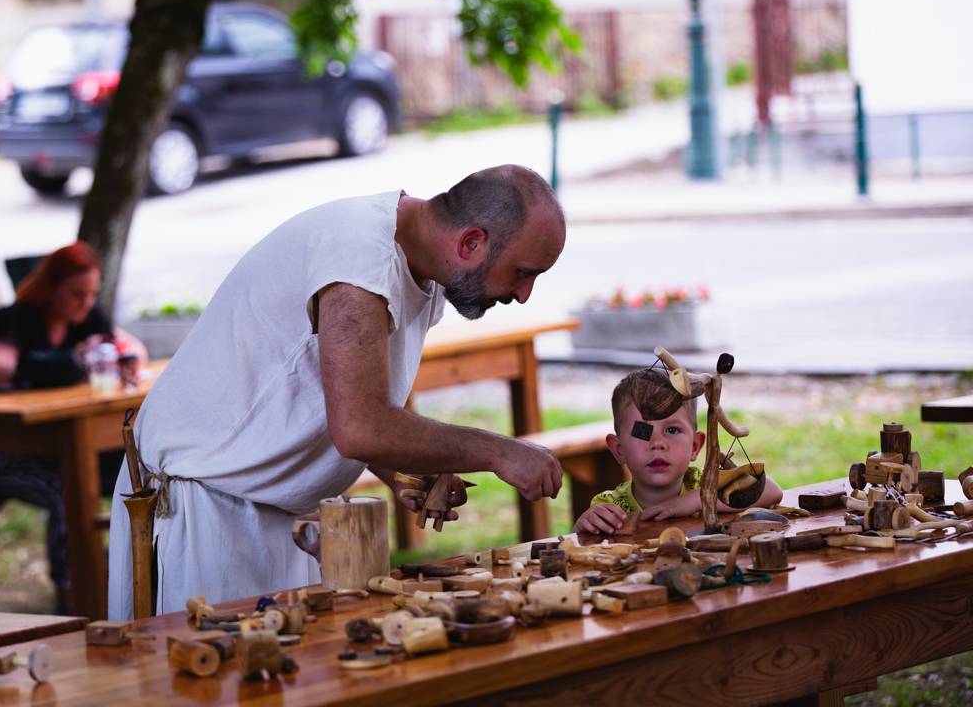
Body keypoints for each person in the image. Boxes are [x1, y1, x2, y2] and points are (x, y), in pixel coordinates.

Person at [108, 164, 567, 619]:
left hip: (259, 506)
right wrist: (501, 452)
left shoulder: (416, 262)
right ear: (471, 242)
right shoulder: (359, 259)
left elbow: (331, 397)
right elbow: (360, 426)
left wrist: (402, 467)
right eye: (524, 273)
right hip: (204, 506)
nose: (523, 294)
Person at [0, 241, 146, 611]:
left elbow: (133, 351)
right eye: (76, 294)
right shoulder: (17, 318)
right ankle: (75, 591)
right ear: (51, 288)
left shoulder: (88, 317)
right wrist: (72, 359)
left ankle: (126, 573)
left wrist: (107, 351)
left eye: (91, 294)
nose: (85, 302)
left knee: (136, 473)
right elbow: (0, 369)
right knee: (70, 483)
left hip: (53, 447)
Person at [573, 368, 783, 535]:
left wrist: (692, 501)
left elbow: (771, 491)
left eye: (672, 430)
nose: (657, 443)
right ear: (619, 450)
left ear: (695, 446)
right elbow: (582, 545)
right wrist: (584, 526)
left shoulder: (705, 485)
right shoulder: (610, 507)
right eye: (643, 431)